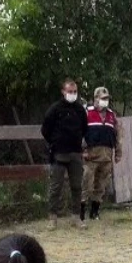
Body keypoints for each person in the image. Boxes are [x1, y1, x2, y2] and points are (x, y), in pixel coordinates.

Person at [41, 79, 88, 229]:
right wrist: (54, 143)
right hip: (59, 153)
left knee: (77, 186)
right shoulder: (55, 109)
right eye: (69, 91)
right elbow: (45, 129)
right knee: (56, 186)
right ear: (63, 92)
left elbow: (85, 129)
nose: (72, 94)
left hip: (75, 153)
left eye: (74, 92)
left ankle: (76, 217)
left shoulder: (80, 110)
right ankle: (52, 218)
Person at [81, 87, 122, 222]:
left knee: (101, 185)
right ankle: (81, 212)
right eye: (103, 98)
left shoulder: (112, 115)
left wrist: (118, 152)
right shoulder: (87, 113)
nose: (106, 101)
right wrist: (83, 150)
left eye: (107, 99)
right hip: (91, 156)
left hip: (106, 155)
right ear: (96, 99)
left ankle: (95, 212)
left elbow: (117, 135)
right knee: (87, 183)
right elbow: (79, 133)